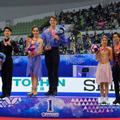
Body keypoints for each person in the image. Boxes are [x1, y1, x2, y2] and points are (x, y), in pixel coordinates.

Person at [42, 16, 68, 96]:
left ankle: (55, 89)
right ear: (49, 22)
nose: (52, 21)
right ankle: (50, 89)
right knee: (49, 71)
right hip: (48, 52)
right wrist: (44, 48)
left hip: (55, 51)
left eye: (54, 20)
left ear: (56, 21)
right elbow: (42, 43)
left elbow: (66, 43)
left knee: (55, 71)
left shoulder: (60, 31)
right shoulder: (45, 32)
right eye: (51, 20)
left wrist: (58, 39)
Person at [0, 27, 18, 99]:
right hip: (2, 62)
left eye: (8, 31)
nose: (7, 32)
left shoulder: (12, 42)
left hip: (9, 61)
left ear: (10, 33)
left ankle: (8, 93)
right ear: (4, 32)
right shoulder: (1, 42)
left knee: (8, 77)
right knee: (3, 78)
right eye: (5, 31)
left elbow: (17, 50)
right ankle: (3, 93)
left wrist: (11, 46)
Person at [26, 26, 43, 96]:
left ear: (38, 32)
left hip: (37, 59)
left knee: (35, 74)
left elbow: (40, 51)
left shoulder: (40, 40)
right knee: (32, 75)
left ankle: (35, 89)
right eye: (34, 31)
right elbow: (27, 48)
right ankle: (32, 89)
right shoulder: (29, 40)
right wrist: (29, 53)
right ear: (32, 32)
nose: (35, 32)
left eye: (37, 31)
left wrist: (34, 54)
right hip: (30, 59)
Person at [95, 36, 113, 104]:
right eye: (103, 40)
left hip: (107, 65)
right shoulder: (98, 49)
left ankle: (107, 98)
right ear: (101, 41)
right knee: (101, 83)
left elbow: (111, 59)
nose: (104, 41)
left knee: (106, 83)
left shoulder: (110, 49)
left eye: (105, 40)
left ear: (107, 41)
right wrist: (97, 54)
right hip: (100, 65)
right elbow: (96, 59)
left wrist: (109, 57)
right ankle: (102, 98)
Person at [112, 32, 120, 104]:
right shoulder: (112, 47)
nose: (115, 38)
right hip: (115, 67)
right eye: (114, 37)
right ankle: (117, 98)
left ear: (119, 37)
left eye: (116, 36)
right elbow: (112, 58)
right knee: (116, 83)